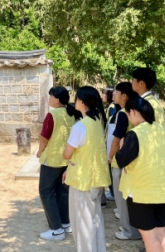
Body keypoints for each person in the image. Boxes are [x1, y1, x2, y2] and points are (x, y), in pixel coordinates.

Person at [115, 96, 165, 252]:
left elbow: (121, 160)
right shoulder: (162, 131)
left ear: (133, 112)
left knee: (149, 236)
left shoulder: (135, 134)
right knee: (162, 234)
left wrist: (122, 145)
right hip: (160, 190)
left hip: (140, 192)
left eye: (128, 113)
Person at [64, 86, 110, 252]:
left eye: (76, 98)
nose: (75, 101)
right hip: (96, 178)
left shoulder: (80, 126)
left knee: (82, 224)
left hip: (82, 180)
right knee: (95, 219)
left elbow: (67, 154)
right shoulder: (98, 121)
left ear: (82, 102)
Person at [37, 86, 78, 241]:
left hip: (52, 159)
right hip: (67, 159)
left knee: (46, 192)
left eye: (51, 96)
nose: (49, 99)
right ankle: (65, 223)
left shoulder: (52, 114)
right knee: (62, 192)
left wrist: (40, 151)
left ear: (58, 99)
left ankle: (56, 229)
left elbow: (44, 137)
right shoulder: (71, 114)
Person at [108, 82, 142, 241]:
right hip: (133, 160)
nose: (113, 95)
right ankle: (134, 228)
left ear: (124, 96)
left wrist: (110, 156)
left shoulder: (123, 113)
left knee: (122, 198)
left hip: (121, 160)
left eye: (116, 92)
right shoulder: (134, 111)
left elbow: (117, 140)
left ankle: (129, 231)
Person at [102, 87, 117, 202]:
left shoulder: (112, 107)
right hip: (109, 139)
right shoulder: (110, 107)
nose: (102, 96)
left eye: (104, 93)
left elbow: (110, 126)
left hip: (110, 140)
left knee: (110, 169)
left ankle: (113, 193)